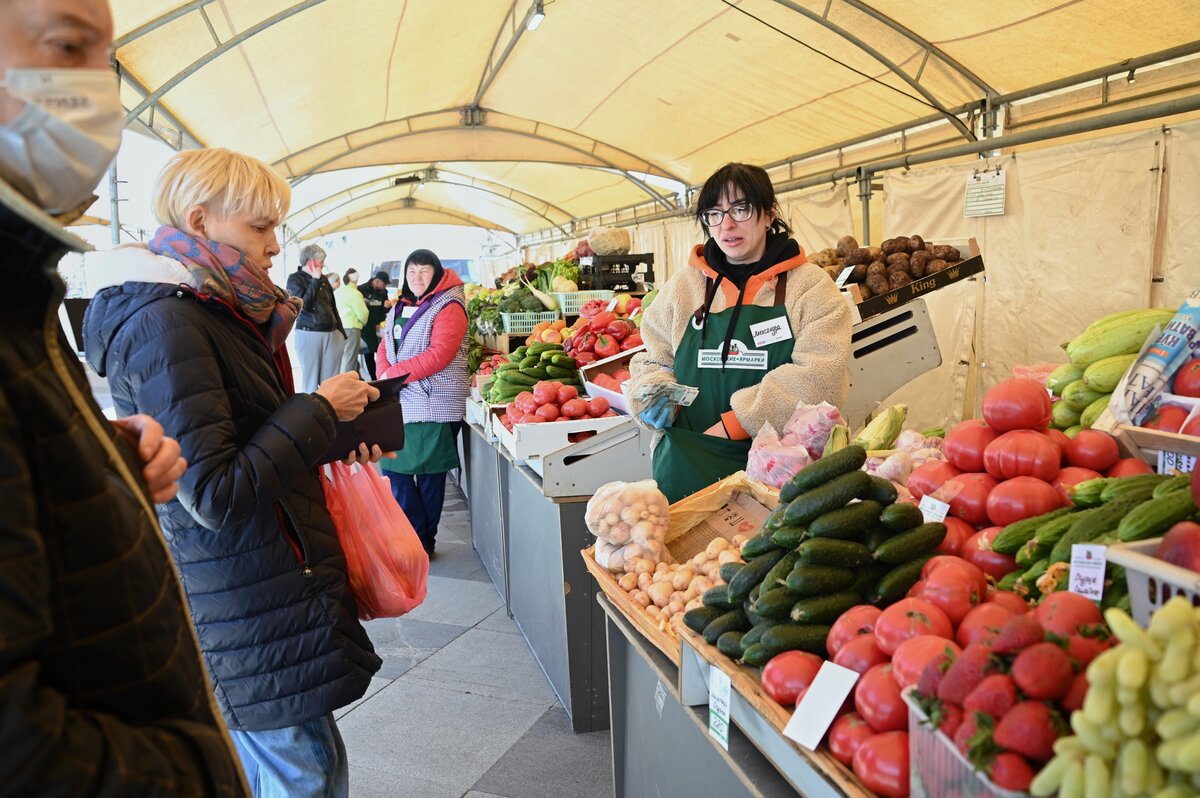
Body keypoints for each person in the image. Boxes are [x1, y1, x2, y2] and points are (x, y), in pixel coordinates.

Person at [0, 0, 251, 794]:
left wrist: (94, 466)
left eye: (101, 62)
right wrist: (199, 778)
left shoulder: (21, 294)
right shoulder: (168, 317)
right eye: (67, 45)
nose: (98, 99)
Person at [83, 146, 386, 798]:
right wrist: (313, 410)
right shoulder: (168, 322)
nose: (276, 245)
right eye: (260, 227)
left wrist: (328, 435)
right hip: (243, 598)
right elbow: (214, 494)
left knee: (304, 767)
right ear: (200, 221)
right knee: (303, 776)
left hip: (264, 588)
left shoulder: (214, 310)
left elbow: (241, 440)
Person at [627, 162, 852, 504]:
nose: (727, 224)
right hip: (686, 458)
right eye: (714, 214)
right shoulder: (685, 287)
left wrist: (739, 423)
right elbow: (652, 356)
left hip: (781, 470)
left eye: (740, 209)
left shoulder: (810, 288)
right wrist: (650, 392)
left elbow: (821, 376)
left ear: (768, 213)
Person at [375, 249, 470, 556]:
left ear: (438, 273)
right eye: (412, 271)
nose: (416, 277)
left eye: (424, 271)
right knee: (394, 472)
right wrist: (383, 378)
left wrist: (393, 375)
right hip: (401, 401)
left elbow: (440, 353)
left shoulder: (449, 306)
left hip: (434, 404)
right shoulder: (401, 305)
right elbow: (384, 345)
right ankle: (417, 538)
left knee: (429, 477)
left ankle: (422, 541)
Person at [288, 243, 346, 392]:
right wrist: (315, 280)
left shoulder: (325, 280)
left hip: (332, 333)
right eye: (320, 262)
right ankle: (312, 413)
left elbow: (332, 306)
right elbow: (303, 305)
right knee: (311, 381)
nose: (323, 265)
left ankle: (331, 411)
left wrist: (341, 333)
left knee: (331, 382)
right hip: (309, 332)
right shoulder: (295, 279)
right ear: (310, 261)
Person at [335, 267, 369, 376]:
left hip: (338, 328)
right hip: (351, 328)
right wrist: (363, 323)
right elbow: (363, 313)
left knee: (347, 357)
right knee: (350, 358)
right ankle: (347, 385)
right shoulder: (355, 293)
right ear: (356, 279)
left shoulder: (338, 291)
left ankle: (357, 381)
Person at [358, 269, 391, 378]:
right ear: (377, 281)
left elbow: (384, 309)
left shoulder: (384, 292)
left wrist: (387, 307)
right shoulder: (361, 290)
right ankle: (374, 378)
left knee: (382, 353)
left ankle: (381, 376)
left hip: (379, 327)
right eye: (384, 284)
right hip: (365, 327)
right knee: (369, 353)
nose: (385, 286)